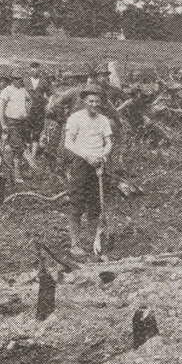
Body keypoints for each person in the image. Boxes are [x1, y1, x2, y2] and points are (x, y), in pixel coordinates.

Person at [63, 86, 114, 257]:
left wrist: (104, 155)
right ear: (85, 102)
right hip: (81, 163)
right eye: (91, 101)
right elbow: (68, 143)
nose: (94, 104)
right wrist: (87, 157)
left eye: (97, 101)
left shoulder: (103, 120)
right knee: (77, 203)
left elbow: (108, 142)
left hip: (98, 164)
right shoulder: (75, 118)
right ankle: (75, 244)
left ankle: (95, 241)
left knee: (96, 205)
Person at [0, 73, 33, 181]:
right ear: (12, 80)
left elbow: (29, 99)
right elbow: (0, 109)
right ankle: (17, 175)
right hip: (11, 123)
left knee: (21, 148)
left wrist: (27, 111)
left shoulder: (22, 90)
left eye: (21, 79)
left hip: (23, 122)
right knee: (18, 146)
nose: (20, 81)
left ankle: (18, 172)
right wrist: (3, 124)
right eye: (17, 79)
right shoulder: (6, 91)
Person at [24, 62, 51, 161]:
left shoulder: (44, 82)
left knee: (36, 133)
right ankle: (27, 156)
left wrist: (48, 106)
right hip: (27, 112)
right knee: (26, 133)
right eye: (32, 68)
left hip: (39, 112)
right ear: (30, 69)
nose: (34, 70)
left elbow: (50, 95)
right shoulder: (25, 81)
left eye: (36, 68)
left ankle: (33, 156)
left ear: (40, 70)